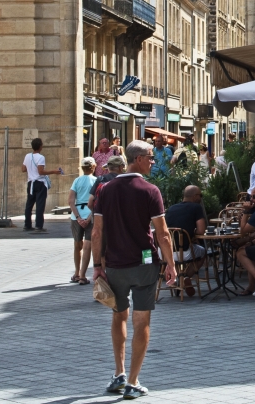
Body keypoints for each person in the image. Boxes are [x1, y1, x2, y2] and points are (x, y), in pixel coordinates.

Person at [91, 140, 176, 400]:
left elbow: (97, 232)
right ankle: (133, 381)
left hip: (115, 265)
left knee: (119, 317)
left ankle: (118, 373)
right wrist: (171, 264)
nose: (153, 161)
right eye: (150, 157)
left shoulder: (105, 189)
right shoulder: (150, 190)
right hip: (144, 264)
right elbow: (162, 234)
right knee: (143, 321)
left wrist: (96, 266)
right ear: (137, 158)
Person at [22, 137, 63, 232]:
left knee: (29, 204)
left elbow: (23, 169)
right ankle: (38, 225)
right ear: (40, 146)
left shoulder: (27, 156)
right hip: (40, 183)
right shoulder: (41, 157)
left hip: (30, 182)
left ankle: (27, 225)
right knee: (40, 205)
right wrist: (54, 171)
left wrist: (31, 169)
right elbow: (41, 172)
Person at [69, 156, 97, 284]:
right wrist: (88, 218)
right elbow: (97, 203)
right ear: (94, 167)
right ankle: (83, 275)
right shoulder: (96, 181)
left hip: (77, 216)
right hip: (90, 214)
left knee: (77, 245)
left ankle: (76, 272)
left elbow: (71, 201)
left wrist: (78, 217)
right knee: (88, 245)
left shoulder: (76, 181)